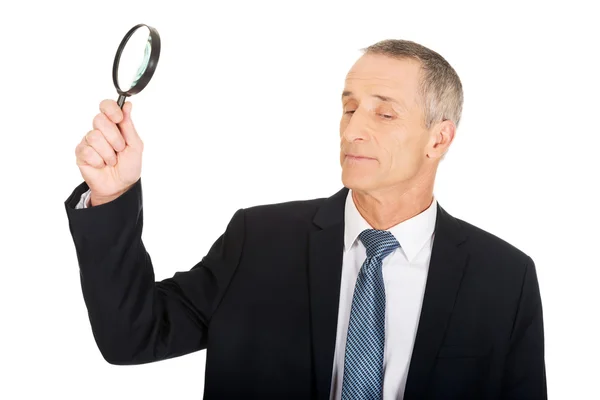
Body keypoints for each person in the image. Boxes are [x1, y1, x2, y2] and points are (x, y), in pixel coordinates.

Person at [64, 39, 546, 399]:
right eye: (349, 107)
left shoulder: (505, 279)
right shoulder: (258, 241)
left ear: (438, 139)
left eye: (384, 115)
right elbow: (132, 336)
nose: (353, 129)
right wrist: (113, 196)